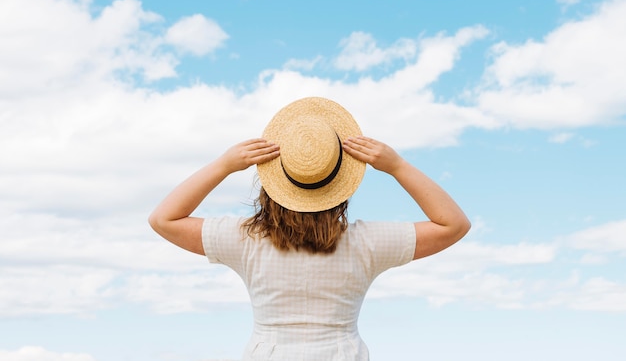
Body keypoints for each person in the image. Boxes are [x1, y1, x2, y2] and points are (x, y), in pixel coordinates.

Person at [149, 97, 471, 360]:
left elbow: (164, 219)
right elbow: (453, 224)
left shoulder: (246, 241)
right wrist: (397, 166)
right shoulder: (366, 243)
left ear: (273, 182)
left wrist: (223, 165)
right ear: (341, 186)